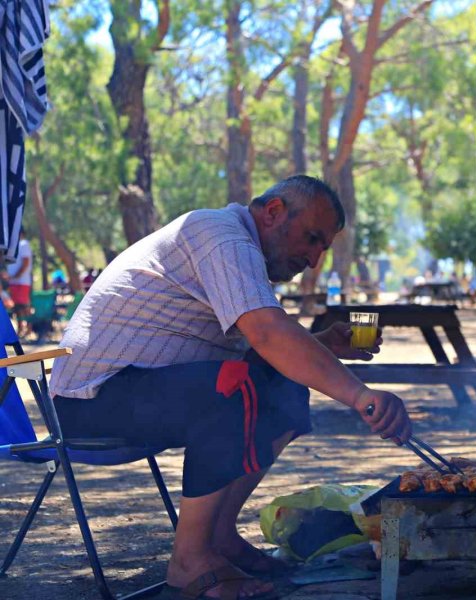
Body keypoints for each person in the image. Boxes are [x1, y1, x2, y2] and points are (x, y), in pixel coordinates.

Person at [49, 175, 412, 599]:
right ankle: (188, 560)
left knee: (283, 387)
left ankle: (218, 537)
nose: (313, 260)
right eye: (311, 239)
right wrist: (360, 396)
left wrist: (319, 347)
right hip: (89, 400)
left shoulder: (238, 249)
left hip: (142, 392)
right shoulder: (223, 238)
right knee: (232, 387)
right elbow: (267, 333)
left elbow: (263, 350)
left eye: (322, 249)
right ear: (274, 212)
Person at [7, 234, 33, 337]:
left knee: (24, 307)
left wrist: (16, 276)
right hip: (14, 282)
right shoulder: (14, 247)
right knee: (17, 308)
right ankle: (20, 329)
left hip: (21, 282)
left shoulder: (24, 243)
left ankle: (29, 328)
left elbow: (26, 262)